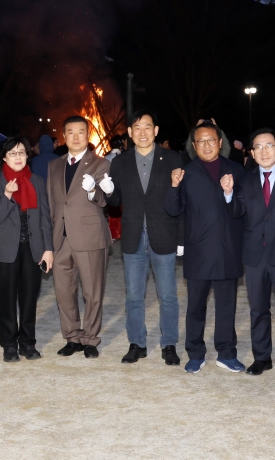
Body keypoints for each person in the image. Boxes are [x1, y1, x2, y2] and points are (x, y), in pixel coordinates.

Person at [165, 121, 245, 374]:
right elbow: (173, 209)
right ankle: (195, 353)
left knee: (226, 306)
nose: (207, 145)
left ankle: (227, 352)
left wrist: (230, 193)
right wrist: (174, 186)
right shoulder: (186, 172)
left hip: (227, 248)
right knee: (196, 307)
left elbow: (242, 209)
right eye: (201, 141)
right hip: (198, 250)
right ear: (194, 145)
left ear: (221, 143)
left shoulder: (236, 170)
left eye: (211, 140)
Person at [106, 110, 182, 366]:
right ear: (129, 132)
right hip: (133, 236)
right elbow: (115, 202)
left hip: (164, 235)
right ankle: (137, 343)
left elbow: (179, 201)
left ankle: (169, 343)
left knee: (168, 295)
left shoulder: (172, 158)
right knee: (133, 296)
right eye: (137, 128)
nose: (142, 132)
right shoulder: (120, 162)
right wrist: (106, 192)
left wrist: (181, 238)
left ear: (156, 131)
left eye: (147, 127)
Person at [229, 128, 275, 378]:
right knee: (258, 309)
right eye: (258, 147)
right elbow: (237, 211)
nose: (264, 151)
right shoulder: (246, 180)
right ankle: (262, 357)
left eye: (269, 145)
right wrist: (229, 194)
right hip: (254, 256)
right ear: (251, 152)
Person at [46, 116, 113, 358]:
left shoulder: (101, 163)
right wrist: (49, 242)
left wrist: (93, 190)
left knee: (92, 292)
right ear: (64, 136)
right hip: (60, 238)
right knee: (64, 292)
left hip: (90, 237)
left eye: (81, 132)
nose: (76, 137)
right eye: (71, 132)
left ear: (88, 135)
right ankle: (72, 336)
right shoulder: (54, 166)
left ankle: (90, 339)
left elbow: (105, 200)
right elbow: (53, 204)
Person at [0, 137, 54, 362]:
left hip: (32, 248)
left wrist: (48, 249)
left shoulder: (36, 180)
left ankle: (27, 342)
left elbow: (44, 217)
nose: (18, 157)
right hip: (4, 250)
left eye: (22, 153)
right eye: (12, 153)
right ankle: (9, 344)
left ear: (27, 156)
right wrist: (6, 194)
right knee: (5, 299)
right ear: (4, 157)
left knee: (29, 298)